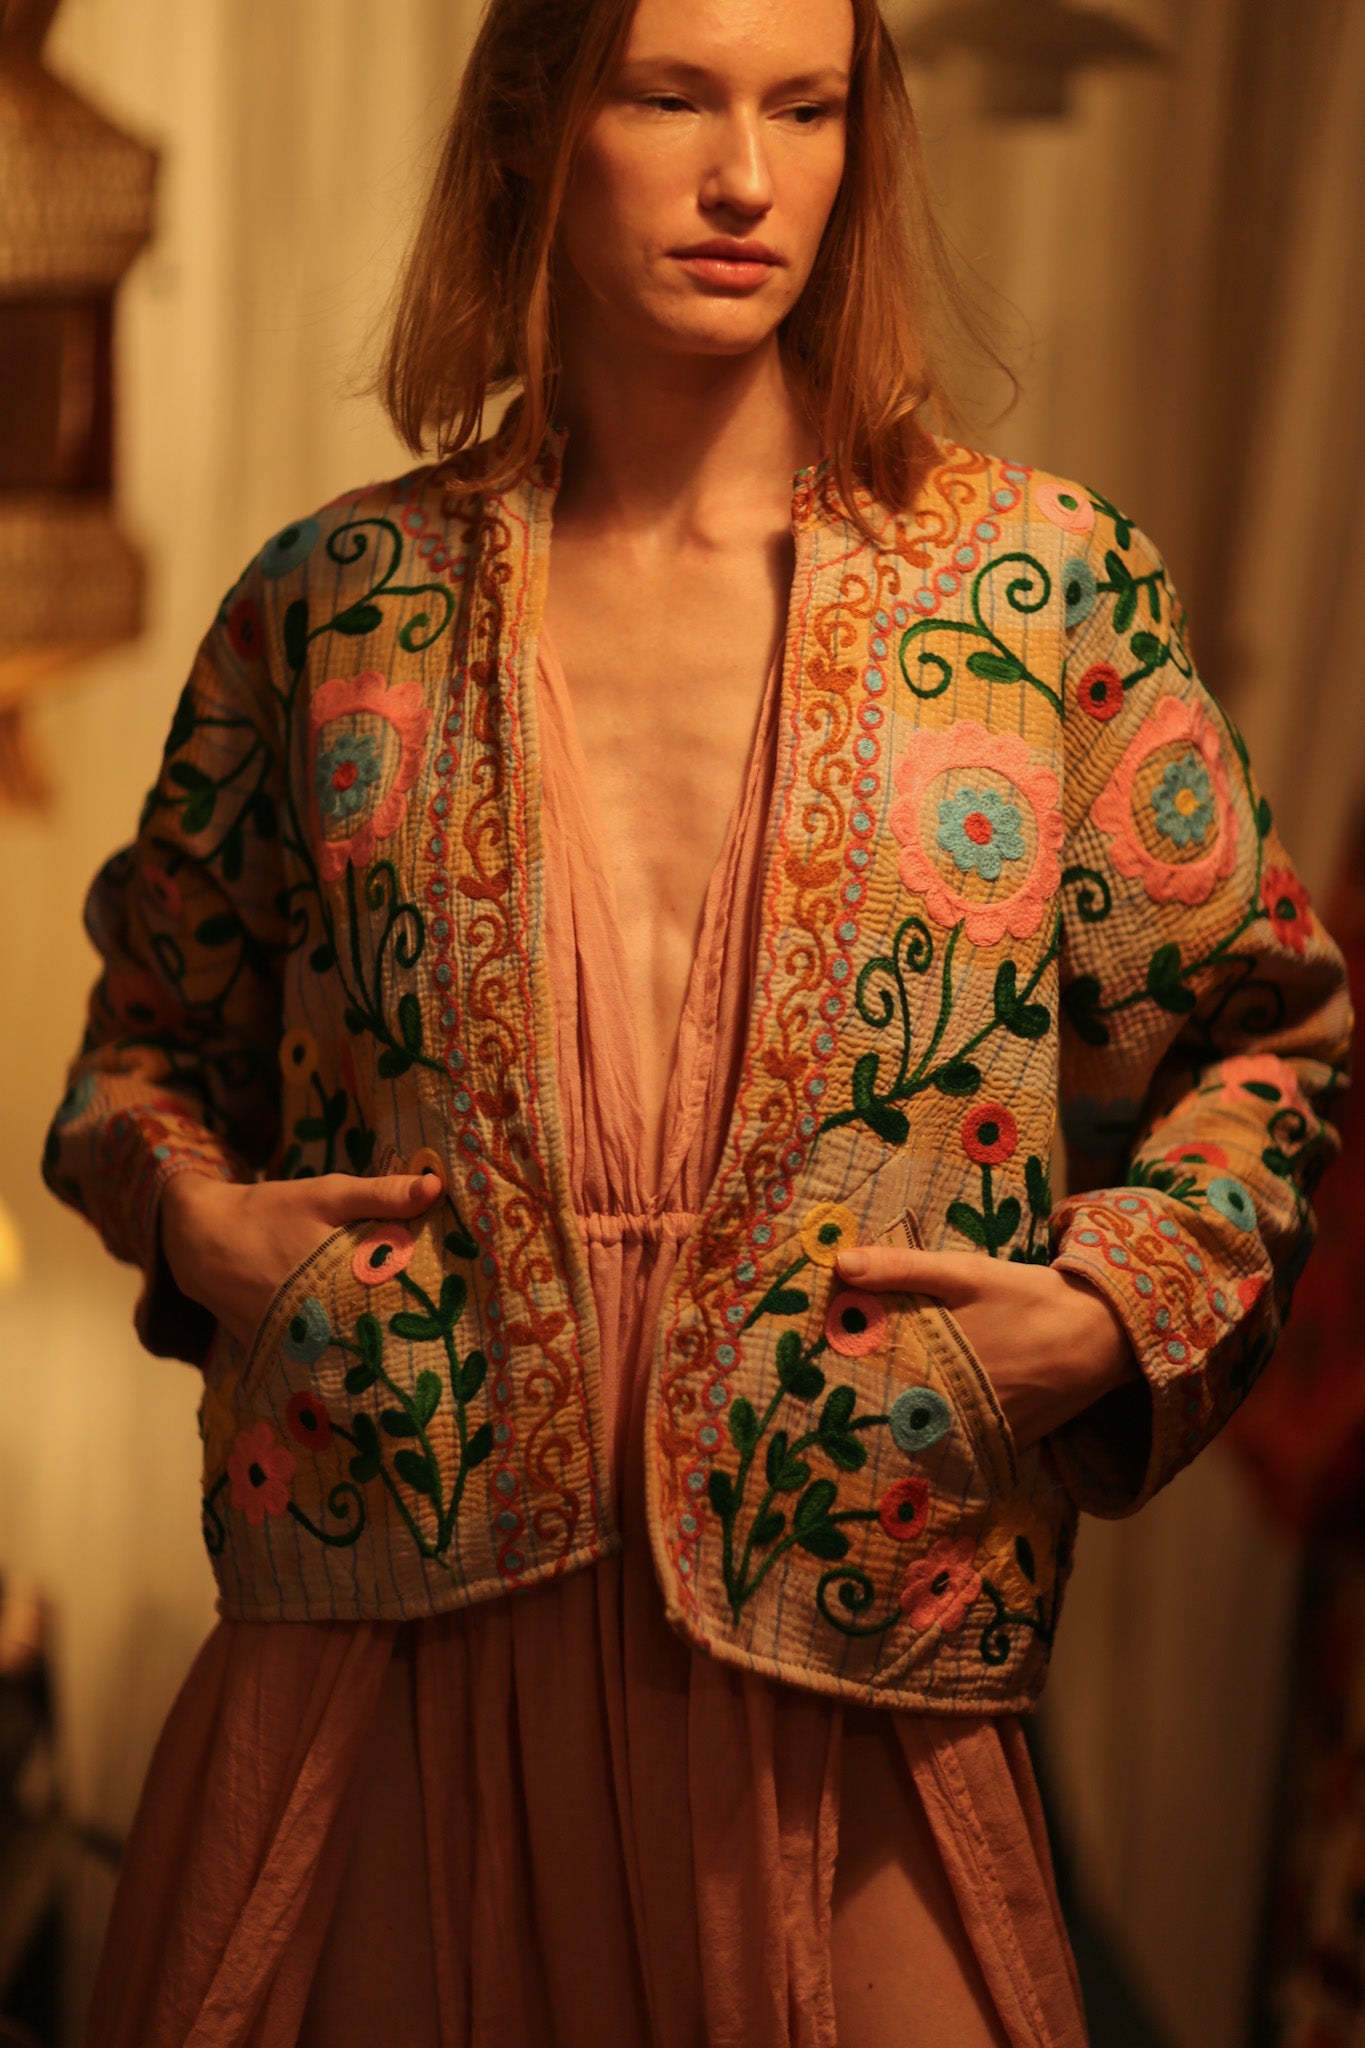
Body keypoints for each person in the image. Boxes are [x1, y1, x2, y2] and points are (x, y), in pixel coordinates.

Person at [43, 0, 1352, 2040]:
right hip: (391, 1620)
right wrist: (199, 1227)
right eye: (669, 97)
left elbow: (1261, 1041)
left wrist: (1109, 1313)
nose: (747, 179)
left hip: (856, 1600)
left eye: (804, 108)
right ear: (531, 132)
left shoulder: (1035, 593)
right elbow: (143, 1046)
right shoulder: (334, 604)